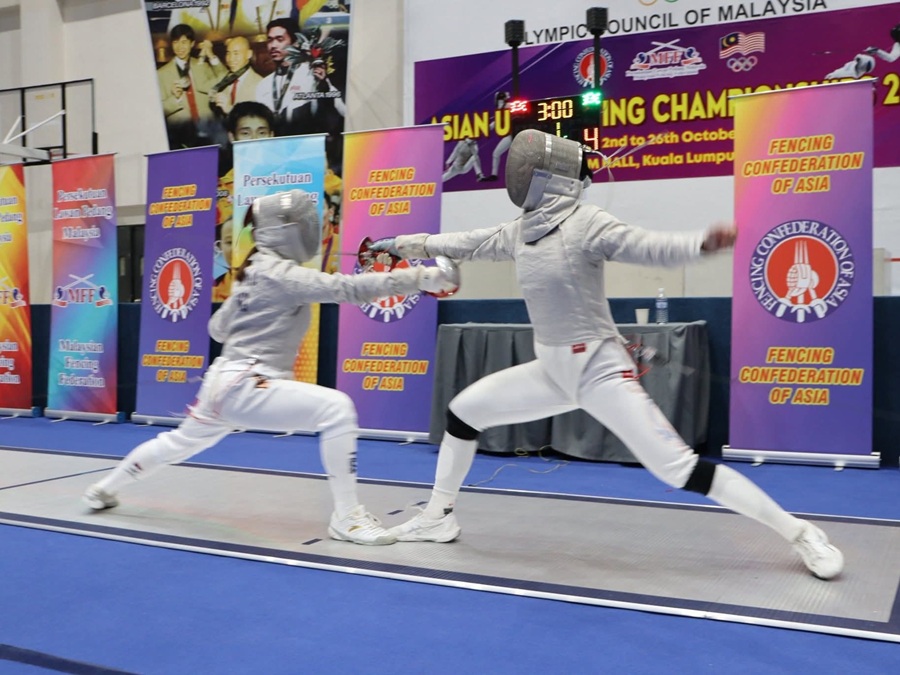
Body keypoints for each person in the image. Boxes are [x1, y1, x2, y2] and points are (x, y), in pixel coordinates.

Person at [372, 129, 844, 580]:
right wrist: (400, 243)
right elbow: (461, 242)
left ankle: (802, 533)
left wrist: (700, 244)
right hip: (552, 371)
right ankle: (438, 517)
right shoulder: (519, 232)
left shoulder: (587, 223)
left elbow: (646, 246)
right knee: (463, 413)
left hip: (600, 371)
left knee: (678, 469)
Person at [83, 190, 460, 546]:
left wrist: (250, 309)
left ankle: (104, 489)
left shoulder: (255, 272)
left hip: (222, 381)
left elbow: (217, 328)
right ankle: (347, 516)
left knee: (177, 444)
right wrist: (421, 278)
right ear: (287, 231)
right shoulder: (280, 275)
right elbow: (347, 289)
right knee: (337, 409)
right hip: (247, 382)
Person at [157, 24, 227, 148]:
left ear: (192, 43)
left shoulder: (202, 66)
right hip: (180, 138)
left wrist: (211, 55)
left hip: (209, 133)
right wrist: (175, 98)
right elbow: (159, 110)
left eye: (184, 42)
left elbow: (225, 78)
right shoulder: (161, 74)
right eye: (175, 42)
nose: (180, 47)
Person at [255, 18, 315, 136]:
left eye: (280, 39)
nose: (273, 45)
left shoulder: (311, 75)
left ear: (295, 43)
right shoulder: (263, 85)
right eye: (270, 40)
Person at [210, 35, 264, 118]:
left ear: (249, 54)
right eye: (228, 53)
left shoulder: (260, 84)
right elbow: (219, 70)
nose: (231, 59)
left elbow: (259, 120)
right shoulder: (226, 78)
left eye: (236, 53)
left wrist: (231, 110)